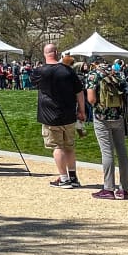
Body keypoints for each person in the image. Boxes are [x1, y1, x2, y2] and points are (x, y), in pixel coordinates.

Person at [32, 43, 86, 188]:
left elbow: (34, 83)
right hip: (69, 114)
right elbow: (79, 91)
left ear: (45, 54)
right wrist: (82, 110)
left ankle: (64, 178)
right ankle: (73, 177)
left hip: (50, 115)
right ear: (57, 53)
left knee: (57, 147)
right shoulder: (68, 71)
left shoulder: (40, 71)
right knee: (69, 146)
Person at [86, 62, 128, 199]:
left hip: (102, 117)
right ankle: (124, 189)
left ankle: (108, 188)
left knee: (107, 152)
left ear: (94, 64)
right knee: (122, 152)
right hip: (119, 116)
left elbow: (91, 99)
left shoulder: (93, 75)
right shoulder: (117, 74)